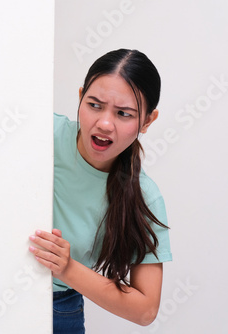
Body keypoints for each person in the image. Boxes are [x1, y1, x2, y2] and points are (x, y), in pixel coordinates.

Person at [28, 49, 172, 333]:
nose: (105, 123)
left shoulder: (145, 196)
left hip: (59, 310)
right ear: (81, 97)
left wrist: (67, 268)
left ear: (147, 121)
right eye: (94, 105)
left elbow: (146, 310)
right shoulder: (40, 133)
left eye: (123, 114)